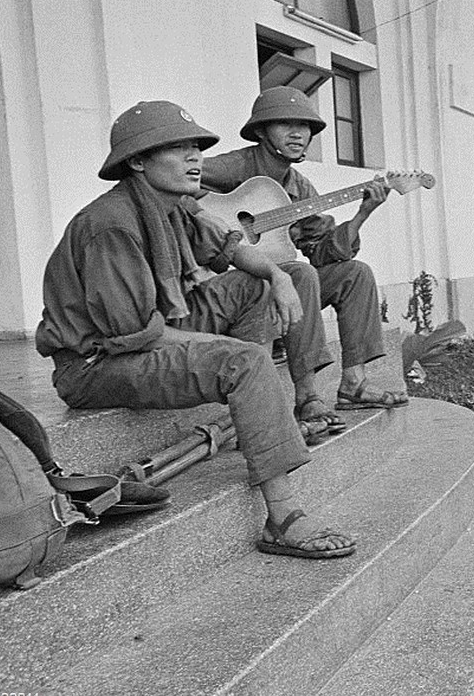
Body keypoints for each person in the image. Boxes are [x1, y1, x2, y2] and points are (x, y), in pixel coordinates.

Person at [35, 100, 356, 559]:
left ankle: (258, 422)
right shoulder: (110, 225)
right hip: (97, 364)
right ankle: (283, 518)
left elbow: (231, 247)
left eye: (195, 147)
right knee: (244, 360)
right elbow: (134, 334)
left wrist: (279, 277)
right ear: (138, 161)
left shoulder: (175, 206)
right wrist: (236, 353)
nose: (195, 158)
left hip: (157, 326)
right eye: (176, 148)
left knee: (269, 280)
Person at [201, 87, 406, 423]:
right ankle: (307, 395)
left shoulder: (300, 187)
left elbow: (324, 252)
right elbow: (179, 186)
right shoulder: (235, 166)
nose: (298, 133)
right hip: (229, 287)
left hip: (281, 289)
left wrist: (363, 213)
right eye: (285, 124)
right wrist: (220, 231)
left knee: (356, 273)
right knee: (301, 274)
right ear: (262, 131)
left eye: (306, 126)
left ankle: (353, 384)